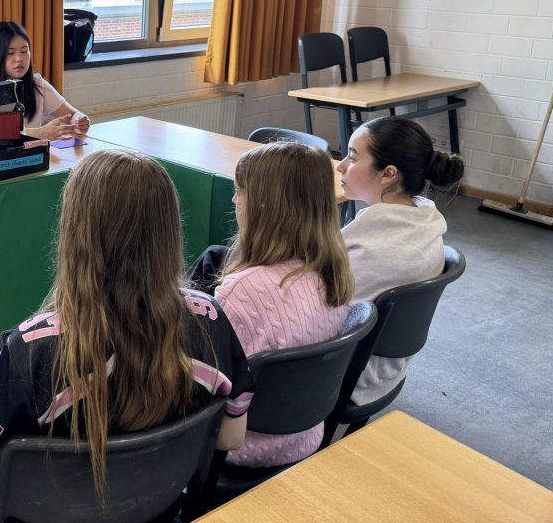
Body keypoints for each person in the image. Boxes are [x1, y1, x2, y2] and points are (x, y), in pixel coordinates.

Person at [0, 149, 254, 507]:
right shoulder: (211, 320)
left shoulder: (32, 349)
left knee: (4, 359)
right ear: (169, 230)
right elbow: (231, 437)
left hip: (52, 511)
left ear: (75, 235)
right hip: (161, 506)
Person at [198, 141, 354, 468]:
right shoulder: (336, 272)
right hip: (304, 434)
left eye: (239, 192)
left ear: (264, 205)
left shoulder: (242, 290)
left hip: (240, 447)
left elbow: (207, 384)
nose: (234, 200)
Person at [336, 115, 464, 405]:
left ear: (388, 174)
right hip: (385, 369)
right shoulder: (423, 220)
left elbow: (322, 315)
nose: (341, 166)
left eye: (352, 157)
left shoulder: (374, 250)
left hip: (349, 374)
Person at [0, 21, 90, 141]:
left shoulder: (37, 84)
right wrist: (38, 133)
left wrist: (80, 121)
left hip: (33, 153)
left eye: (24, 51)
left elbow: (72, 114)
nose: (19, 59)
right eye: (10, 53)